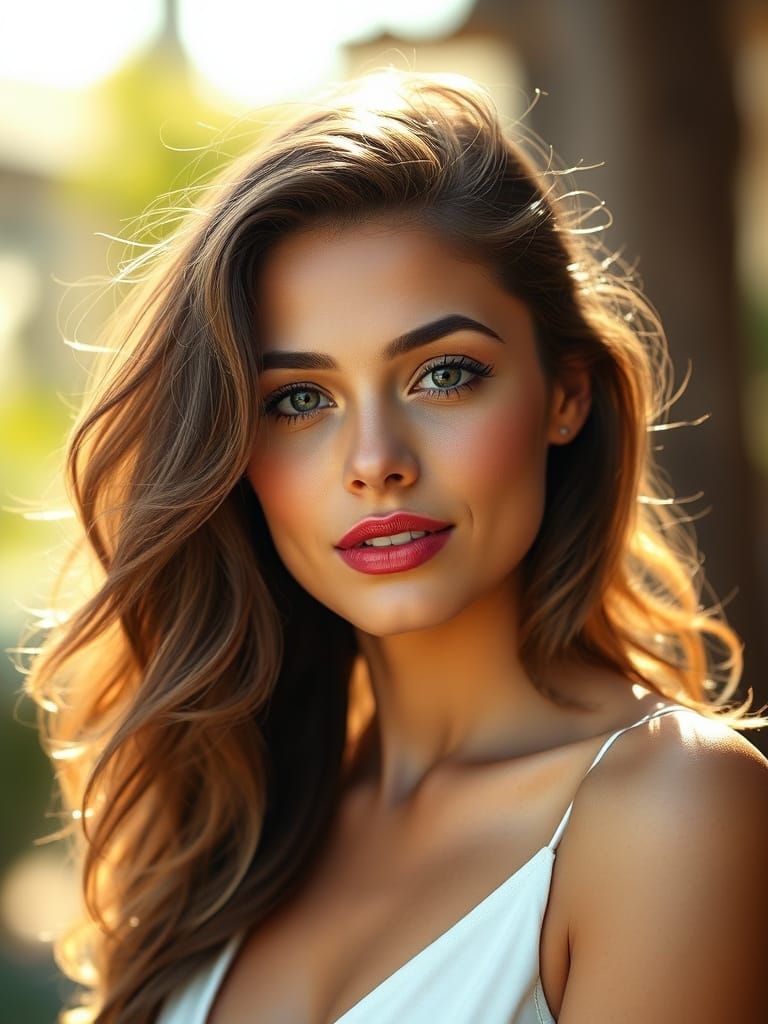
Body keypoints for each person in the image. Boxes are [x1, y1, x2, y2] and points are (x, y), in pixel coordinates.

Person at [24, 68, 768, 1024]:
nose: (374, 463)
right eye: (299, 399)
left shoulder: (673, 810)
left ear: (566, 395)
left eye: (444, 374)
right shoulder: (240, 825)